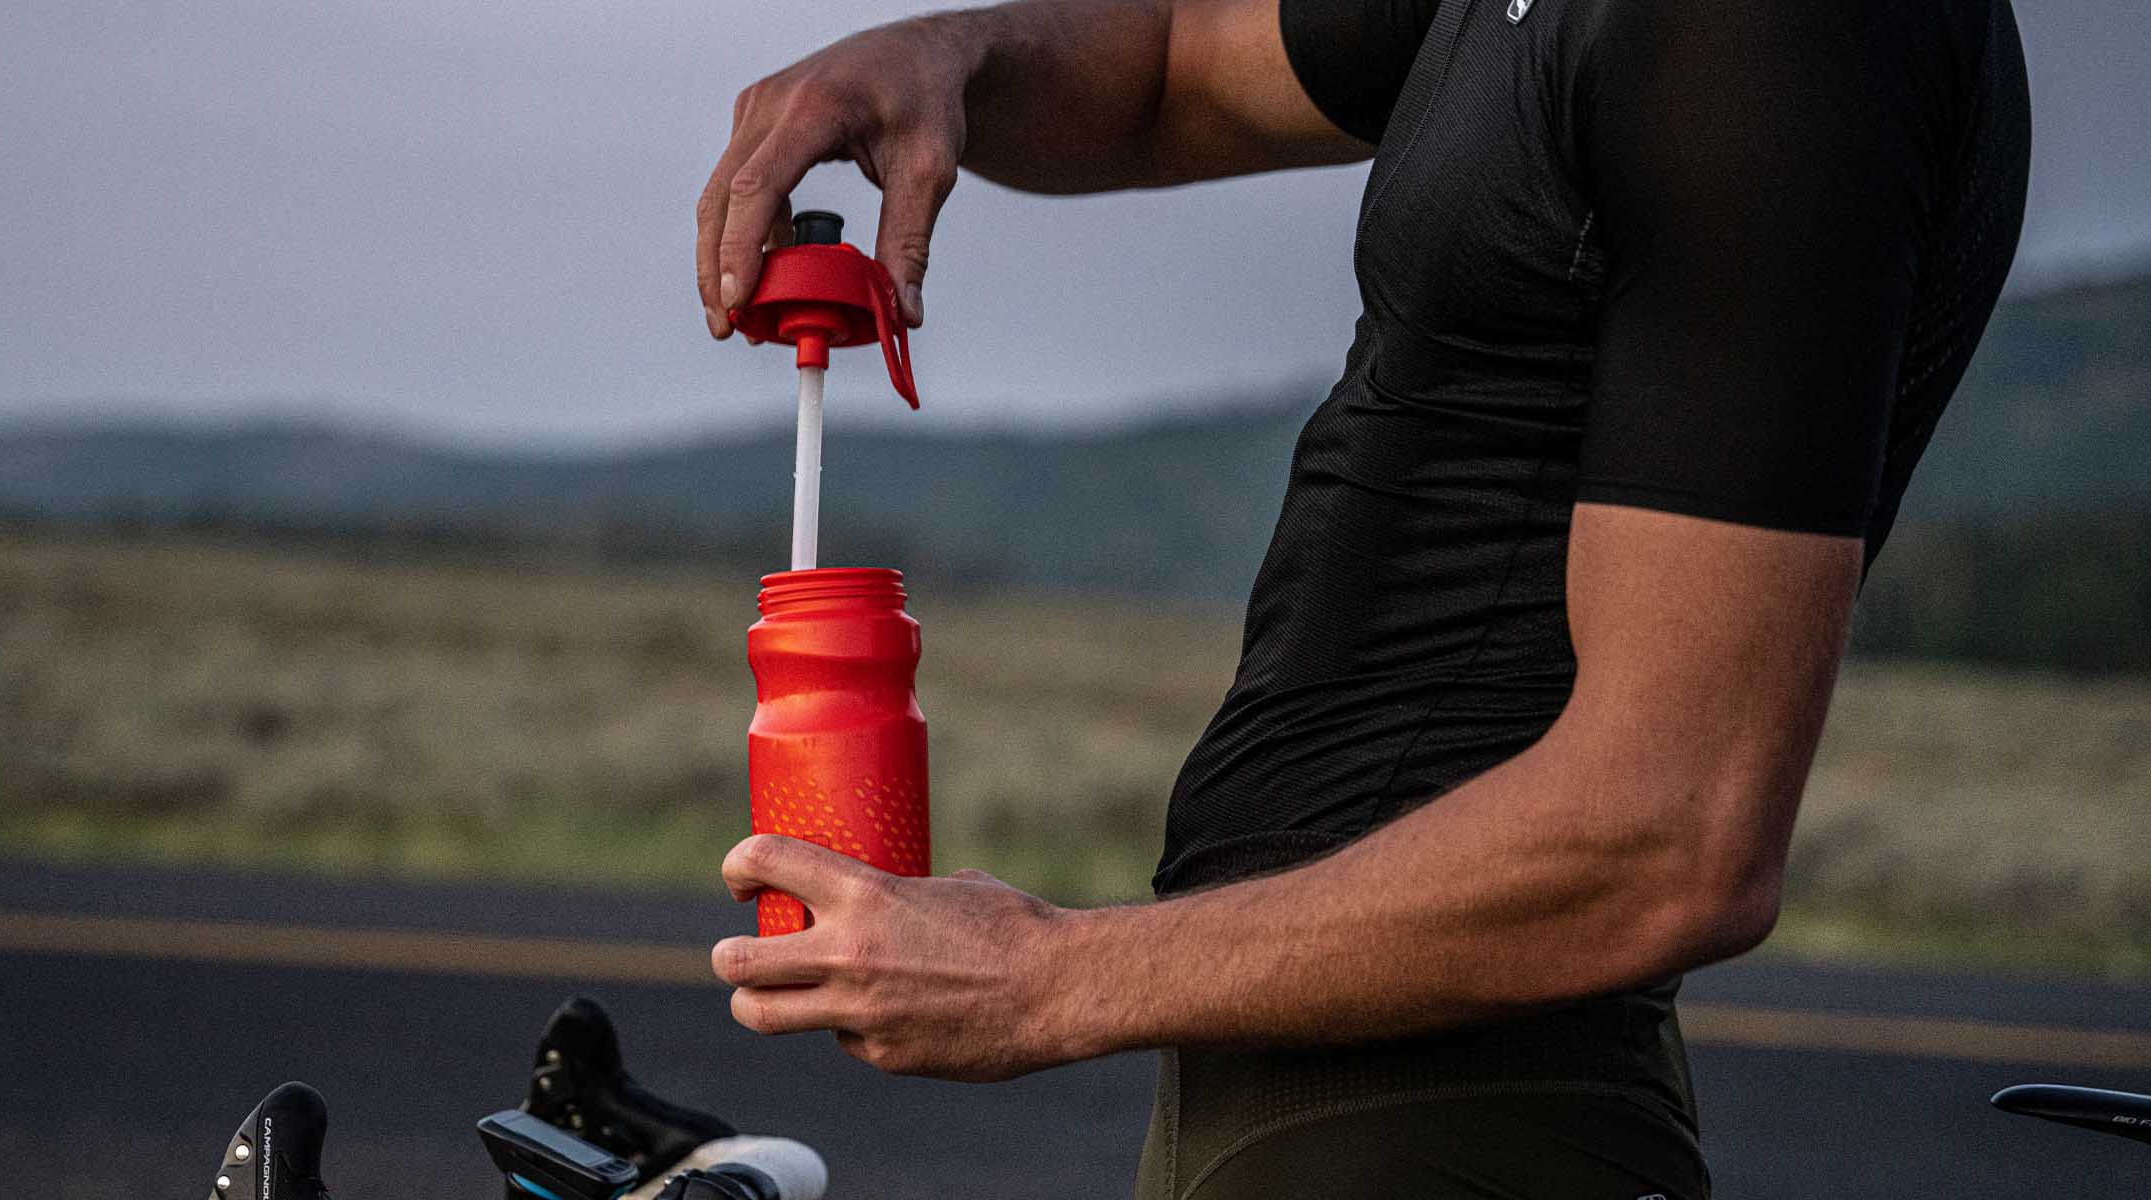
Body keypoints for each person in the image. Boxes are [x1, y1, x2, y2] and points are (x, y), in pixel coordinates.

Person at [694, 0, 2030, 1195]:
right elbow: (1183, 68)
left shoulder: (1771, 35)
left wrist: (1047, 979)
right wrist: (951, 53)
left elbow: (1674, 835)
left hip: (1454, 1113)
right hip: (1296, 1094)